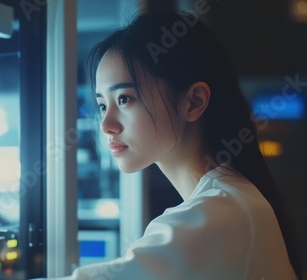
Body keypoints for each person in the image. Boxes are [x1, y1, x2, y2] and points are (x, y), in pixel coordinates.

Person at [61, 11, 301, 280]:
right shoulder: (230, 200)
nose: (106, 125)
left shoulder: (219, 213)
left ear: (194, 102)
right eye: (103, 105)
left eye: (125, 99)